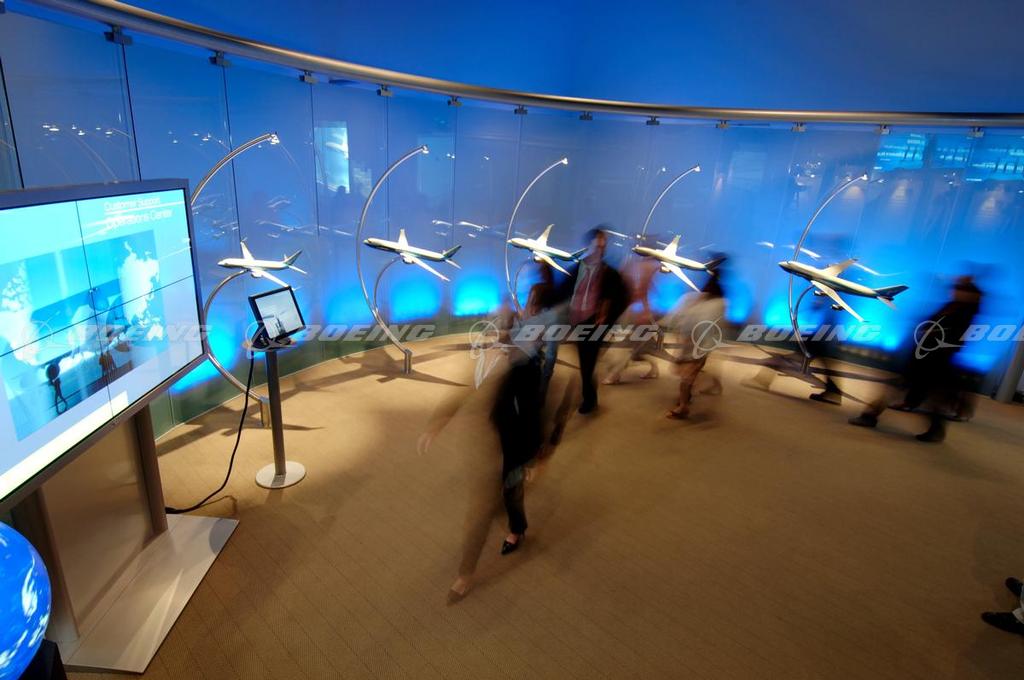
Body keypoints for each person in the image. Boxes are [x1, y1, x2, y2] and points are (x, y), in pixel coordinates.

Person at [849, 275, 982, 442]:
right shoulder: (954, 307)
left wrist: (930, 332)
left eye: (960, 289)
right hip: (926, 357)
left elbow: (949, 335)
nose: (955, 291)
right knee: (917, 391)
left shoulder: (964, 312)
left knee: (907, 389)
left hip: (934, 359)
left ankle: (871, 416)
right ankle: (932, 429)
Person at [567, 227, 628, 414]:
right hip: (577, 321)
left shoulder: (609, 273)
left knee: (588, 362)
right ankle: (590, 394)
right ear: (589, 245)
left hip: (595, 324)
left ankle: (589, 399)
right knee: (585, 361)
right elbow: (564, 292)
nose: (601, 247)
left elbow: (623, 298)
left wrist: (607, 319)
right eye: (598, 243)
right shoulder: (576, 268)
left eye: (604, 244)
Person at [663, 272, 726, 419]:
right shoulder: (717, 303)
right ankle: (688, 398)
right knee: (689, 374)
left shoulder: (699, 301)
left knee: (687, 376)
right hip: (698, 345)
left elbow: (682, 320)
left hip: (696, 345)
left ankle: (683, 406)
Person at [603, 241, 661, 385]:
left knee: (624, 344)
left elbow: (643, 290)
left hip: (636, 311)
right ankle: (654, 368)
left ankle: (615, 374)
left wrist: (645, 312)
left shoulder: (642, 267)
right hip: (634, 310)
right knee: (635, 348)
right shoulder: (637, 265)